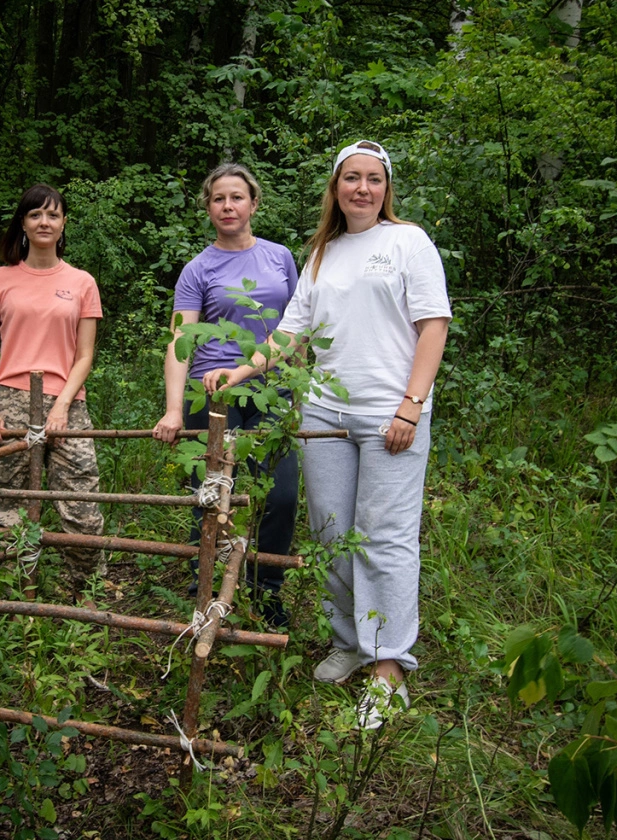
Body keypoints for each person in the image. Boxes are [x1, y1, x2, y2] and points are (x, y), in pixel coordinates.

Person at [203, 141, 451, 727]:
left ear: (387, 187)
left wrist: (411, 406)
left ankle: (388, 666)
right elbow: (291, 334)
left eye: (373, 179)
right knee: (332, 529)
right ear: (335, 188)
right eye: (351, 179)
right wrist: (239, 371)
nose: (362, 189)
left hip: (392, 413)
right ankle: (351, 642)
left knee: (385, 536)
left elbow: (433, 326)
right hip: (324, 415)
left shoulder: (408, 242)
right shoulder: (322, 252)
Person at [152, 163, 300, 627]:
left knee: (280, 494)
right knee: (214, 495)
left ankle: (265, 591)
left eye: (237, 197)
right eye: (219, 199)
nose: (228, 206)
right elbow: (180, 343)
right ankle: (214, 591)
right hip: (212, 395)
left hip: (271, 388)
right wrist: (175, 409)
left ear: (254, 204)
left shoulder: (280, 258)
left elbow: (297, 327)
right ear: (208, 207)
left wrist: (295, 384)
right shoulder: (198, 269)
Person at [0, 183, 105, 601]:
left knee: (81, 504)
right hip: (10, 397)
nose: (44, 222)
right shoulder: (0, 279)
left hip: (68, 401)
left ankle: (82, 594)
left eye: (53, 214)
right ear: (24, 223)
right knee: (7, 504)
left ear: (64, 223)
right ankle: (18, 593)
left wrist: (63, 403)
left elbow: (85, 355)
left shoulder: (82, 282)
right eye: (35, 215)